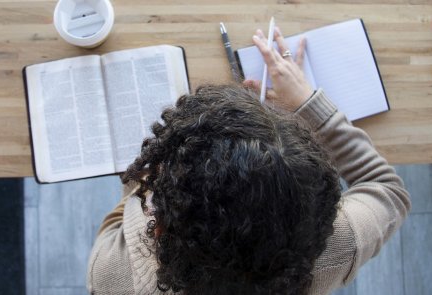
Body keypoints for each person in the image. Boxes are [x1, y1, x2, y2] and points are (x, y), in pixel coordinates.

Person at [87, 27, 411, 295]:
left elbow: (114, 225)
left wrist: (141, 181)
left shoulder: (111, 276)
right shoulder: (336, 248)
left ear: (157, 228)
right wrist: (308, 106)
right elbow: (388, 190)